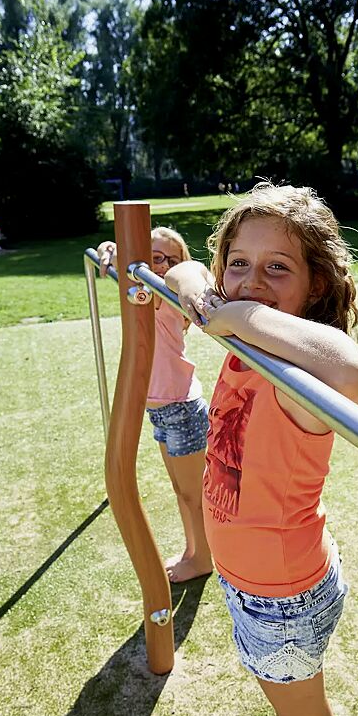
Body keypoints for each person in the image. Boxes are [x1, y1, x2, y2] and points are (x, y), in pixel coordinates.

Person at [165, 182, 358, 716]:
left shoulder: (291, 376)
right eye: (240, 264)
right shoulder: (246, 348)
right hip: (264, 577)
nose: (252, 279)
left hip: (280, 597)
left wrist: (242, 312)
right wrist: (206, 294)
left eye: (277, 268)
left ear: (317, 288)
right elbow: (187, 269)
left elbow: (351, 370)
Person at [97, 226, 213, 584]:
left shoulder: (166, 298)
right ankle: (193, 551)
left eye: (170, 260)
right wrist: (110, 247)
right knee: (181, 491)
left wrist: (126, 258)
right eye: (153, 258)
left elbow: (156, 276)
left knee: (194, 495)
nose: (160, 266)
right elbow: (118, 257)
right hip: (161, 409)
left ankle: (203, 559)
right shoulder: (143, 296)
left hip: (181, 407)